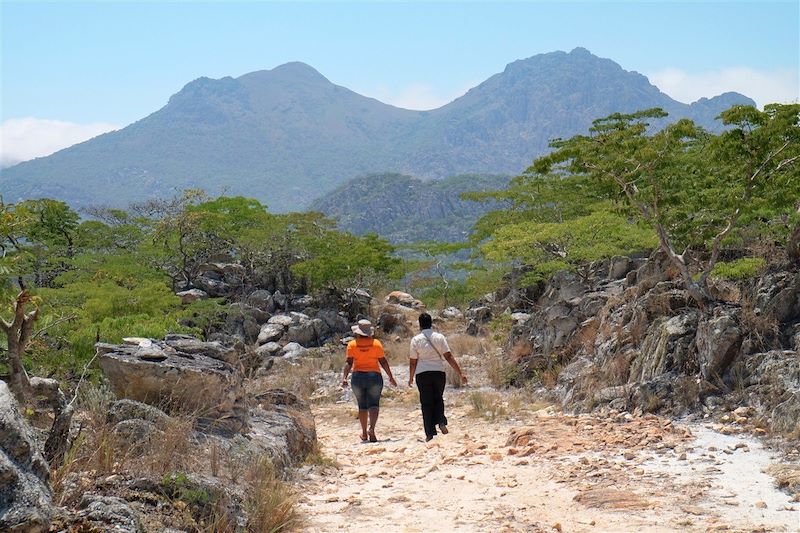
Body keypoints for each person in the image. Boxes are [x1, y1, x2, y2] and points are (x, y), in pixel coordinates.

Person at [408, 312, 467, 441]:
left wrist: (411, 377)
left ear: (420, 324)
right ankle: (441, 421)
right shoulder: (439, 337)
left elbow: (413, 361)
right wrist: (460, 373)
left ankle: (430, 433)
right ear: (431, 323)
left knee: (426, 402)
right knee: (438, 398)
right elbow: (448, 356)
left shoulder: (416, 340)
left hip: (422, 373)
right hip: (438, 372)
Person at [341, 319, 397, 442]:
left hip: (358, 377)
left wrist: (344, 378)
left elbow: (349, 362)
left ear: (357, 332)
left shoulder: (352, 344)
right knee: (374, 404)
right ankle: (372, 428)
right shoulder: (376, 343)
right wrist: (391, 377)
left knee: (362, 406)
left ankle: (364, 433)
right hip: (374, 376)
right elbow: (383, 361)